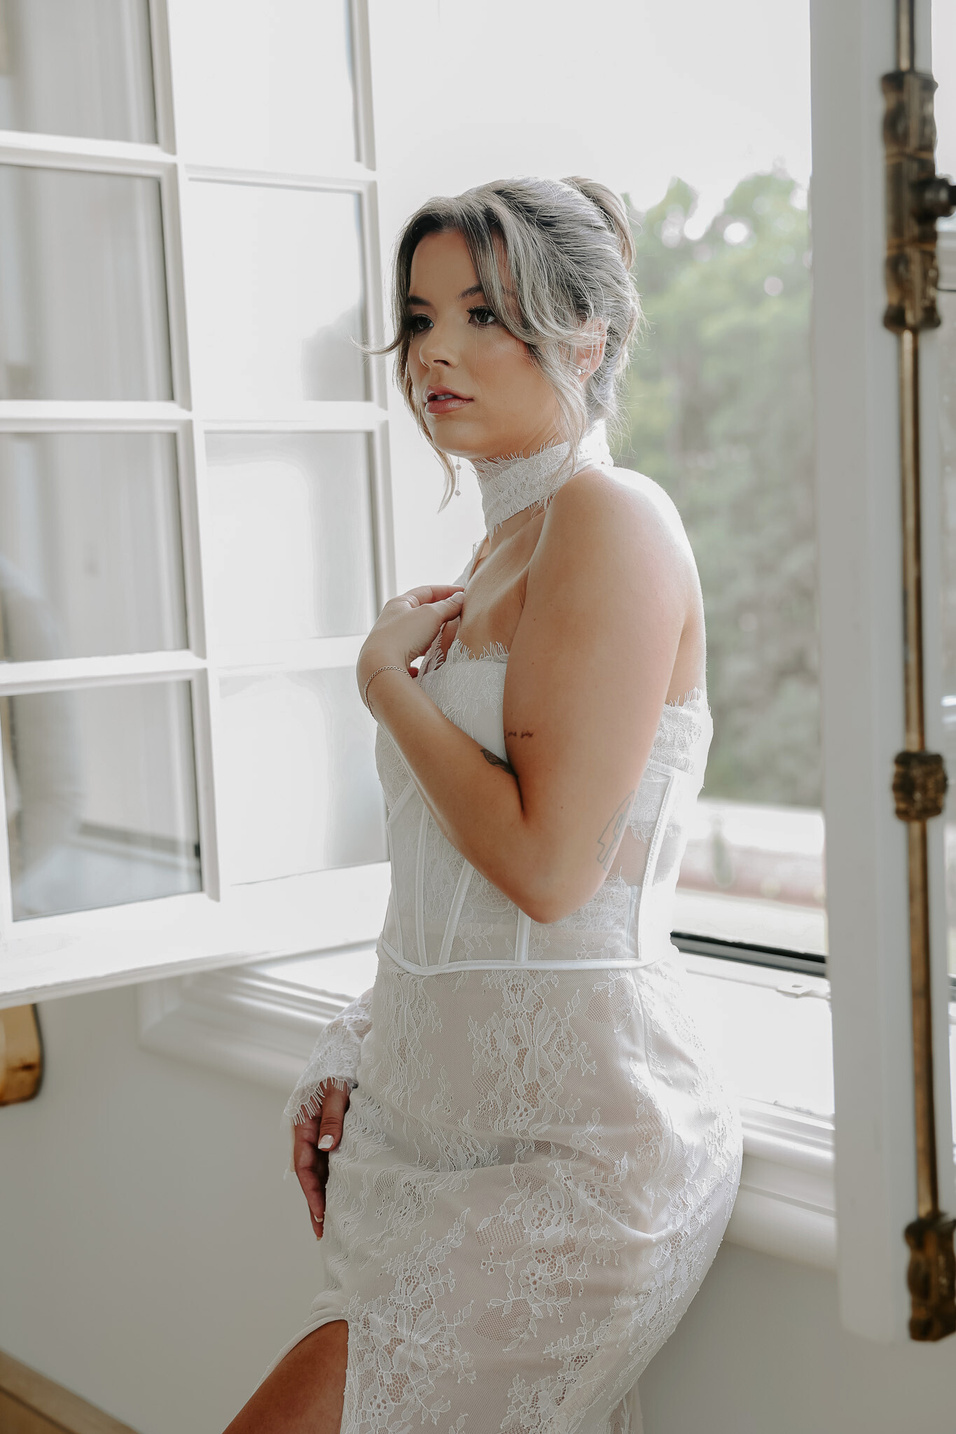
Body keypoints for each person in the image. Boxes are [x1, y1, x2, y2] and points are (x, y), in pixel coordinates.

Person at [224, 176, 742, 1434]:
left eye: (483, 316)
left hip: (573, 1155)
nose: (435, 353)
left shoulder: (612, 522)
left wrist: (379, 683)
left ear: (589, 337)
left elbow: (553, 869)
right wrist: (361, 1041)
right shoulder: (491, 554)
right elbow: (447, 881)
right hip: (419, 1135)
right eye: (417, 319)